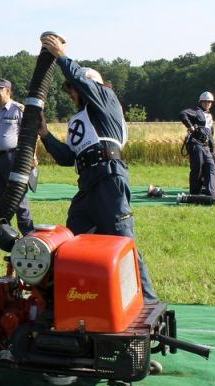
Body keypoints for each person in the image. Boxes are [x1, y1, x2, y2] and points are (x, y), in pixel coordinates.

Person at [38, 33, 158, 303]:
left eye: (72, 87)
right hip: (88, 183)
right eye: (68, 89)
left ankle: (147, 303)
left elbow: (84, 82)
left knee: (123, 240)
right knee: (71, 241)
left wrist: (61, 56)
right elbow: (69, 157)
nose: (71, 93)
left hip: (108, 177)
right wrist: (45, 135)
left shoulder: (106, 98)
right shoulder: (78, 120)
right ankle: (77, 297)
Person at [0, 78, 35, 235]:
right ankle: (6, 235)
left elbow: (30, 134)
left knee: (18, 197)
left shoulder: (18, 109)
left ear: (8, 91)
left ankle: (29, 234)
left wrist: (32, 156)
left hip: (12, 159)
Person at [179, 92, 215, 196]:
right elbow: (182, 114)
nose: (208, 103)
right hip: (195, 144)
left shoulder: (209, 116)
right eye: (206, 102)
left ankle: (211, 194)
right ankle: (194, 194)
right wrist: (189, 126)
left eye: (210, 102)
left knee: (211, 167)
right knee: (197, 168)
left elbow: (210, 135)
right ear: (201, 102)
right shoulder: (196, 111)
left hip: (205, 146)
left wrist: (213, 150)